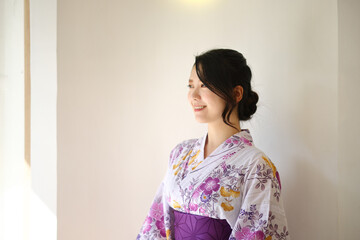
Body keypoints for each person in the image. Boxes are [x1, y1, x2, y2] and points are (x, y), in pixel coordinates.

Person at [137, 49, 289, 240]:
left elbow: (257, 233)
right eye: (190, 85)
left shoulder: (257, 166)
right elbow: (156, 223)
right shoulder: (180, 153)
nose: (193, 95)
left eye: (205, 85)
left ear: (236, 93)